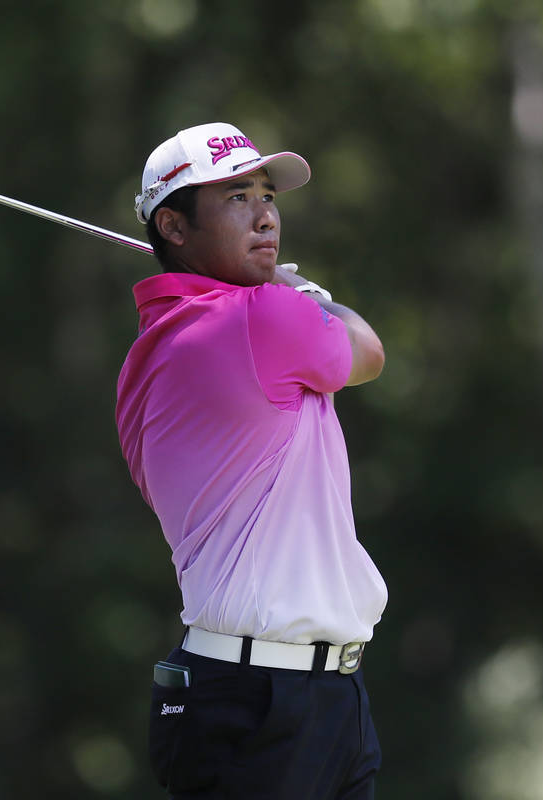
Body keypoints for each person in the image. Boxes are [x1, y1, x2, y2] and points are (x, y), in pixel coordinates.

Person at [116, 122, 388, 799]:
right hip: (265, 703)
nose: (266, 214)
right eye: (237, 198)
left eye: (267, 194)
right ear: (174, 227)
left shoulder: (150, 353)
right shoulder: (261, 319)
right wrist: (316, 300)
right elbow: (370, 351)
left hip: (301, 694)